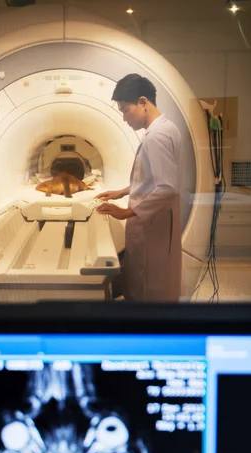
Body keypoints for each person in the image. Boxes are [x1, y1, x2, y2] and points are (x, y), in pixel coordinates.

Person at [96, 74, 182, 302]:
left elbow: (166, 188)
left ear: (143, 102)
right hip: (159, 221)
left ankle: (143, 327)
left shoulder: (156, 137)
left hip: (150, 225)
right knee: (157, 278)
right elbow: (152, 178)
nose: (124, 118)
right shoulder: (167, 127)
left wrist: (127, 212)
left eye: (125, 110)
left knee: (146, 285)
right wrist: (123, 192)